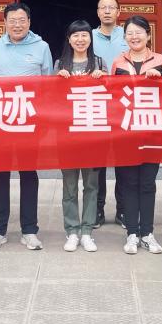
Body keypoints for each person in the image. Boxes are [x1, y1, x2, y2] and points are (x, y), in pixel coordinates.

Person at [0, 2, 53, 251]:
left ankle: (30, 230)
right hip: (1, 121)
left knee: (28, 174)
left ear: (29, 22)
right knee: (0, 174)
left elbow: (48, 85)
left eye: (22, 20)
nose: (17, 25)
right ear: (4, 22)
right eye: (12, 20)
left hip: (29, 121)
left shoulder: (42, 47)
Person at [111, 15, 162, 255]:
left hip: (152, 130)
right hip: (125, 131)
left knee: (147, 183)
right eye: (130, 33)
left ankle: (147, 232)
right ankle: (132, 233)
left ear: (148, 35)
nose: (134, 37)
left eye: (139, 32)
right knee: (128, 182)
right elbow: (112, 96)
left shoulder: (161, 61)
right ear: (125, 37)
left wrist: (161, 80)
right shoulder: (118, 62)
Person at [54, 20, 105, 253]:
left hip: (93, 134)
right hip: (67, 135)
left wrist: (103, 78)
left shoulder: (99, 63)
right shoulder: (60, 64)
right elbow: (51, 99)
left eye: (85, 35)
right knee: (69, 186)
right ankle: (72, 230)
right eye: (76, 35)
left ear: (90, 39)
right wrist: (57, 80)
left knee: (92, 185)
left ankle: (87, 232)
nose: (80, 39)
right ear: (69, 39)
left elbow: (110, 95)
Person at [91, 0, 126, 228]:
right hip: (97, 103)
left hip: (124, 104)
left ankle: (123, 209)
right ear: (97, 12)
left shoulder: (129, 35)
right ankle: (97, 209)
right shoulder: (88, 36)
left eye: (111, 8)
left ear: (118, 12)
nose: (106, 11)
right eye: (102, 8)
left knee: (123, 160)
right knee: (98, 161)